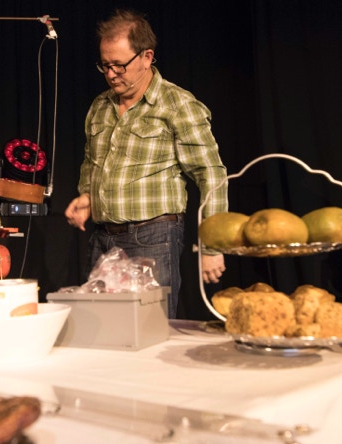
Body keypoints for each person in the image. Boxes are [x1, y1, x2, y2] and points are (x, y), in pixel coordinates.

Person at [65, 8, 228, 318]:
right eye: (105, 65)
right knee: (99, 329)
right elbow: (92, 161)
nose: (111, 74)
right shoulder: (100, 106)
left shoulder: (177, 104)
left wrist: (212, 246)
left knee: (150, 329)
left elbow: (212, 175)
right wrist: (88, 196)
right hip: (103, 238)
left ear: (146, 56)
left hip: (152, 238)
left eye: (119, 65)